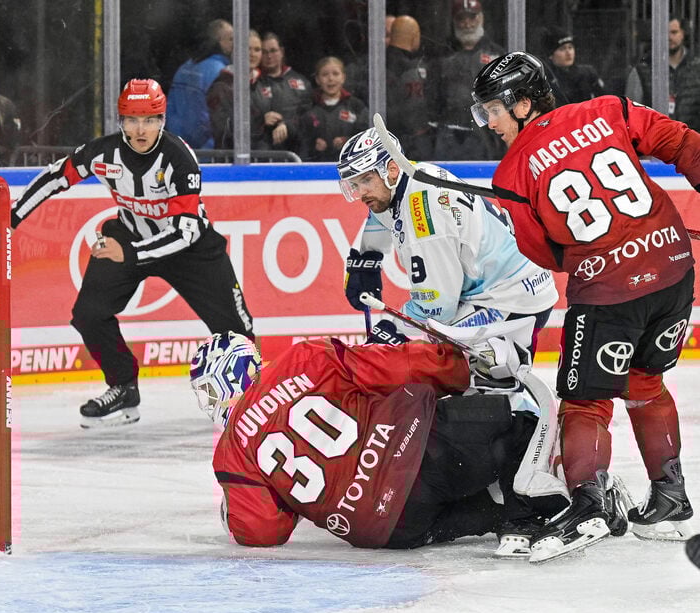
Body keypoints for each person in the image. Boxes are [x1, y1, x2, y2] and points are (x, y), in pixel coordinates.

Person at [470, 51, 697, 562]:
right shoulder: (607, 108)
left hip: (610, 289)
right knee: (645, 382)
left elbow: (544, 252)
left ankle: (589, 503)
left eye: (493, 110)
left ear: (523, 104)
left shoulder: (511, 172)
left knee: (584, 401)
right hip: (674, 266)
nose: (489, 123)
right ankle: (670, 497)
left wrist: (595, 250)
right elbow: (680, 143)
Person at [191, 328, 583, 551]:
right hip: (422, 453)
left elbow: (261, 533)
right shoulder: (302, 358)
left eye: (210, 390)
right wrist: (464, 368)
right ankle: (533, 511)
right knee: (521, 425)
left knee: (477, 504)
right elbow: (396, 365)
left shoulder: (230, 453)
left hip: (386, 530)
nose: (212, 402)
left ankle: (508, 519)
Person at [10, 79, 254, 428]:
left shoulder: (178, 158)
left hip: (190, 247)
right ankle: (123, 387)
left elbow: (184, 232)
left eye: (150, 120)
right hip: (128, 236)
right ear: (120, 121)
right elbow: (55, 177)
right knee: (89, 314)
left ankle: (251, 396)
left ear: (163, 121)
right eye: (132, 120)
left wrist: (130, 254)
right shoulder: (102, 152)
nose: (141, 129)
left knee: (235, 328)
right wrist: (11, 218)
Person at [336, 126, 558, 355]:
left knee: (435, 356)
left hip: (508, 301)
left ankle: (499, 382)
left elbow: (438, 307)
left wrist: (393, 328)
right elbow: (381, 217)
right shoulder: (409, 175)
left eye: (366, 180)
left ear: (391, 169)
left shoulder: (423, 219)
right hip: (519, 286)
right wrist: (366, 258)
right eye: (354, 184)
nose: (361, 192)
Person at [428, 0, 504, 160]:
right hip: (448, 135)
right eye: (461, 19)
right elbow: (432, 97)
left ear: (481, 18)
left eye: (472, 17)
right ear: (454, 21)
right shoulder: (441, 55)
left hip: (488, 135)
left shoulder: (497, 54)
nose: (467, 24)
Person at [165, 18, 233, 149]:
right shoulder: (220, 71)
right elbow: (217, 114)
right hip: (207, 150)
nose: (235, 44)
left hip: (180, 147)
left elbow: (170, 108)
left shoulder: (183, 68)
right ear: (218, 42)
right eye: (230, 39)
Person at [625, 16, 700, 132]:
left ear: (683, 34)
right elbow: (631, 117)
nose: (669, 37)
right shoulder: (642, 70)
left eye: (674, 32)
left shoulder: (697, 68)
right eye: (664, 33)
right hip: (656, 145)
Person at [206, 29, 266, 150]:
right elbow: (223, 130)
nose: (252, 54)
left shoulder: (262, 83)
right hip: (232, 159)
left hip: (262, 157)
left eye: (257, 50)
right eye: (247, 49)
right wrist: (261, 122)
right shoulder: (221, 86)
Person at [299, 56, 367, 162]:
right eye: (325, 75)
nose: (330, 79)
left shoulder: (356, 106)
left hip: (350, 167)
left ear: (343, 77)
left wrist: (348, 141)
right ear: (317, 79)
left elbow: (366, 135)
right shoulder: (308, 106)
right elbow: (300, 137)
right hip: (316, 167)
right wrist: (313, 144)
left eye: (335, 74)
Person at [254, 32, 312, 154]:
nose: (269, 56)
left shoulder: (300, 82)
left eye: (273, 51)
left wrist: (288, 125)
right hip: (262, 151)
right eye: (264, 52)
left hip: (296, 150)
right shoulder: (253, 82)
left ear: (282, 52)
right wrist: (261, 120)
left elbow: (310, 116)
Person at [385, 15, 434, 160]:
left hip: (387, 140)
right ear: (415, 36)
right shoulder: (414, 68)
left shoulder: (377, 64)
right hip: (412, 142)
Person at [539, 26, 604, 107]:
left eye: (570, 47)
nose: (568, 53)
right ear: (551, 55)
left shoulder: (588, 74)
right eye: (562, 49)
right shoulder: (547, 80)